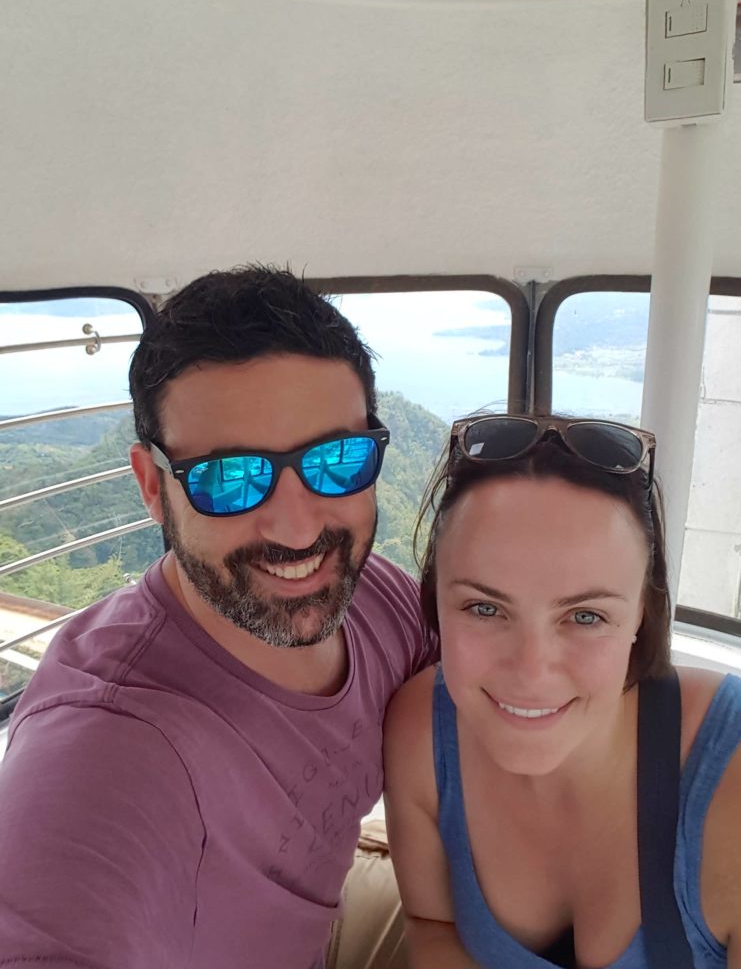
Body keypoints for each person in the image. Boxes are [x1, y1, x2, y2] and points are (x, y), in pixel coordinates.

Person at [0, 265, 435, 969]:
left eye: (337, 459)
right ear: (152, 487)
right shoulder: (107, 748)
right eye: (231, 477)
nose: (298, 530)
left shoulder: (378, 601)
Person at [384, 413, 741, 968]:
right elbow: (434, 924)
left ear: (642, 610)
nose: (532, 670)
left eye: (585, 616)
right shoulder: (422, 731)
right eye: (485, 608)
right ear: (436, 601)